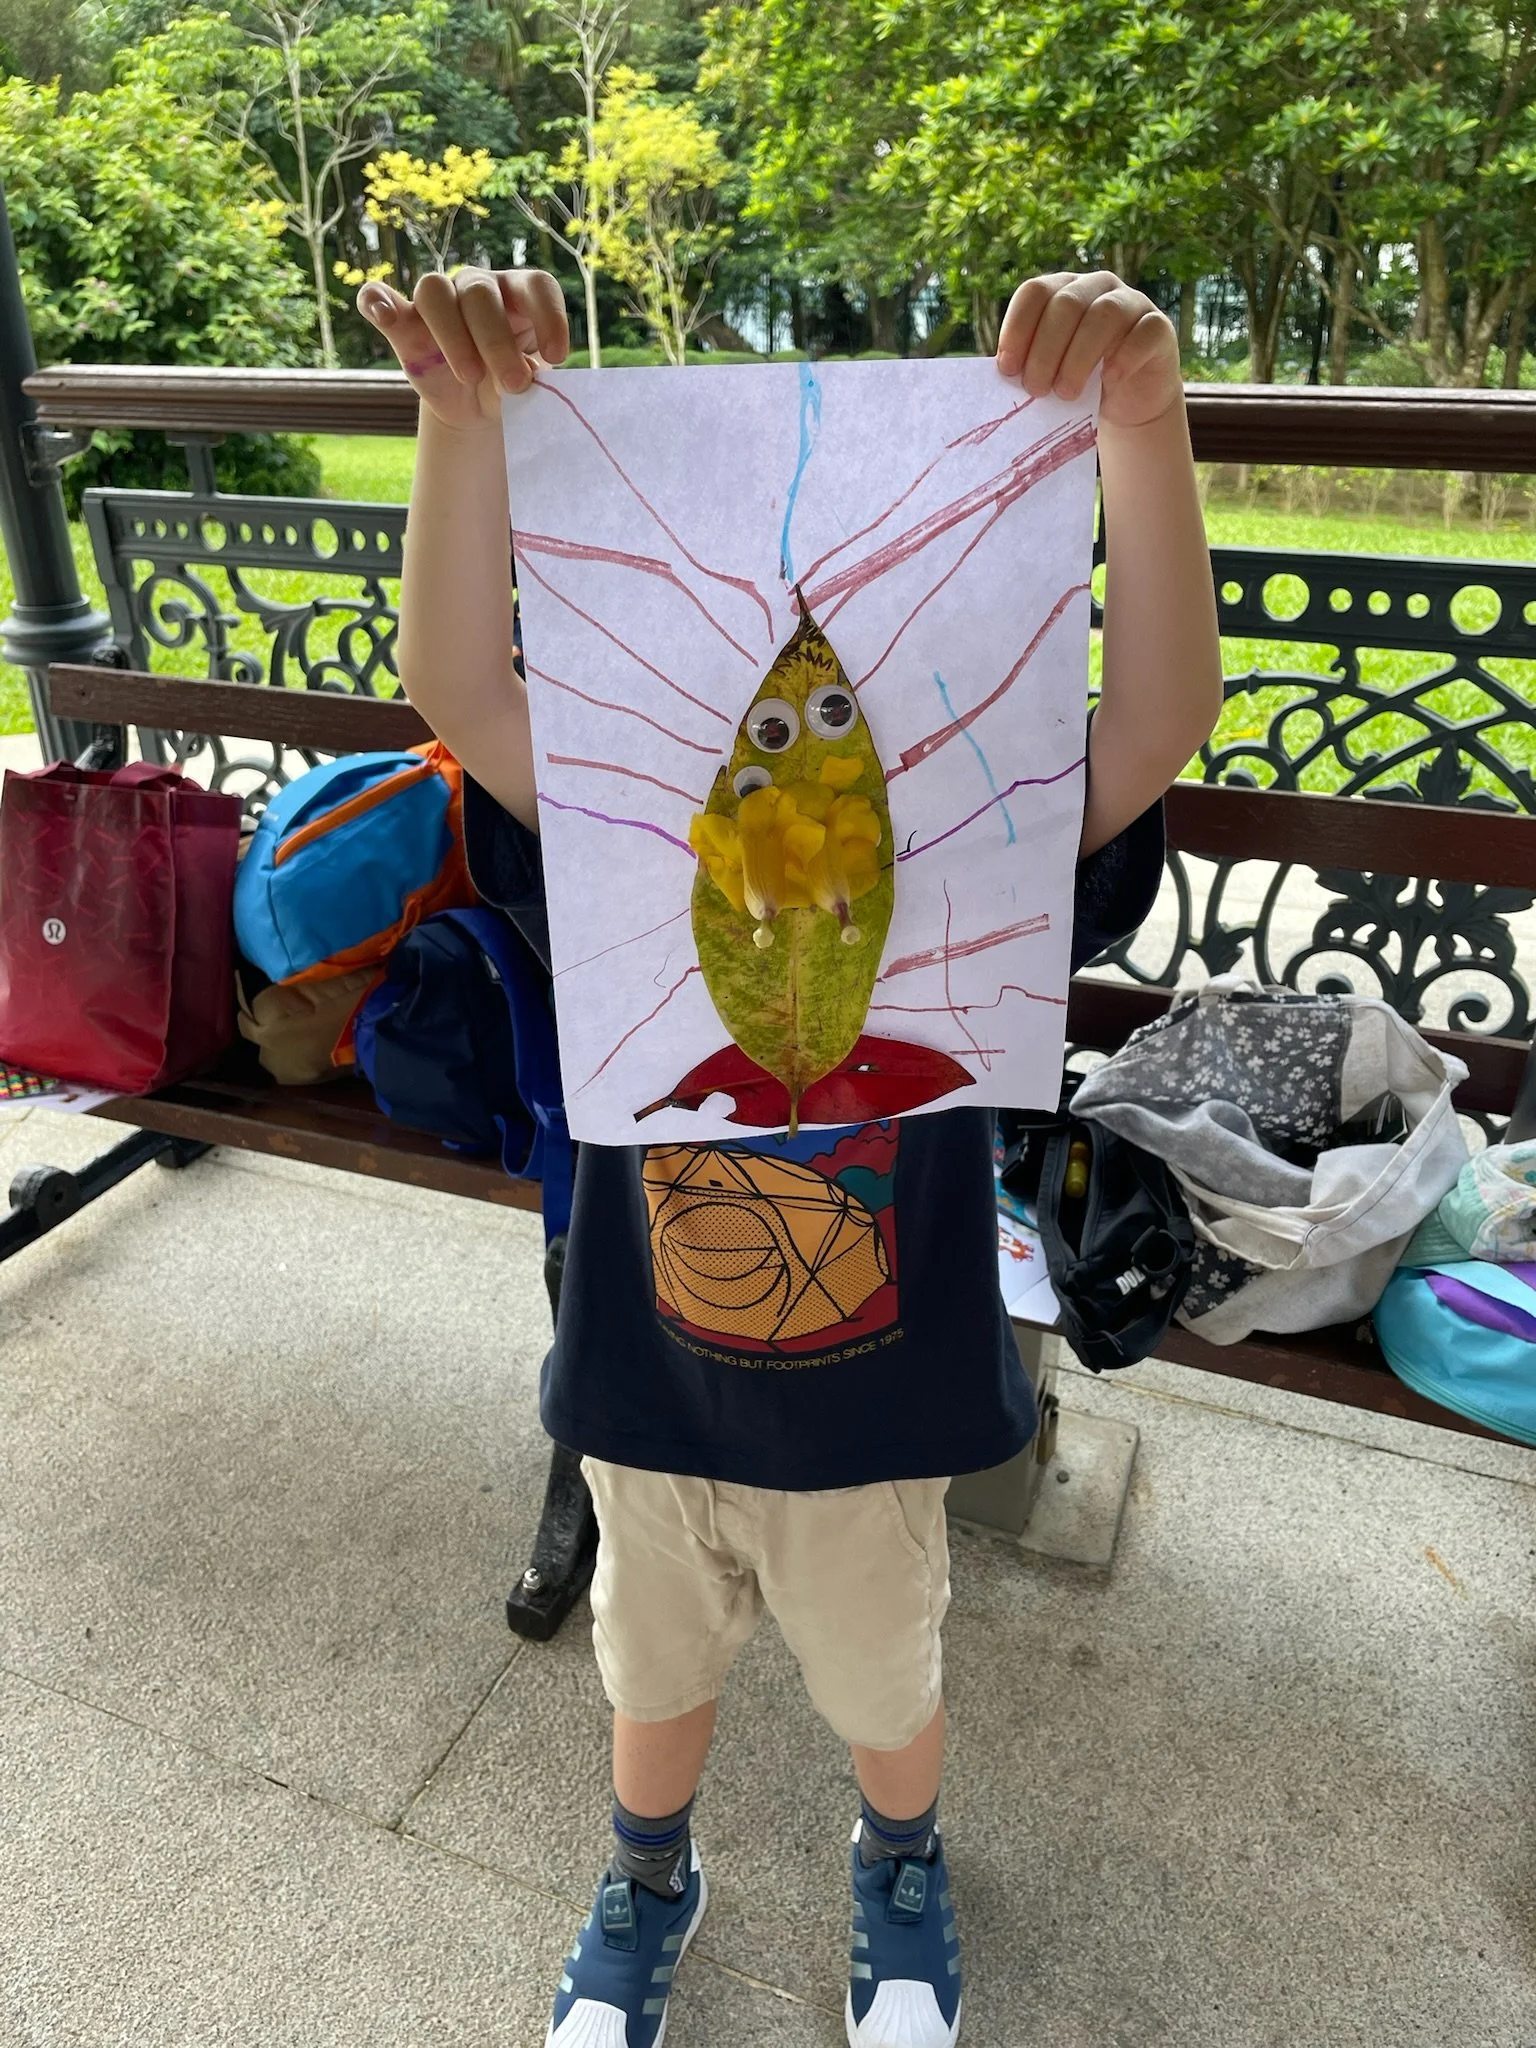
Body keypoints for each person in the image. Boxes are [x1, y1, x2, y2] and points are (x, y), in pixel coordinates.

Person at [357, 264, 1222, 2048]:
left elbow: (1156, 716)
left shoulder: (979, 846)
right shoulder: (603, 829)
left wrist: (1147, 431)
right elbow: (451, 670)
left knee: (886, 1685)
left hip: (877, 1413)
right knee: (646, 1677)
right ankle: (644, 1875)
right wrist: (464, 422)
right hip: (645, 1394)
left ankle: (900, 1864)